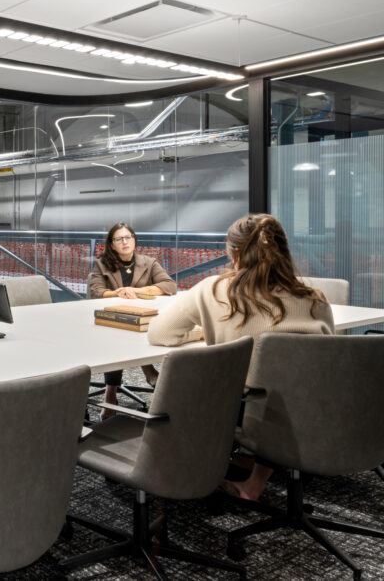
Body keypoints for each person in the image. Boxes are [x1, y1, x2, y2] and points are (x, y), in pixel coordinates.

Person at [147, 213, 334, 501]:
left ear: (234, 254)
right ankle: (256, 481)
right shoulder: (315, 299)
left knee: (194, 384)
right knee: (280, 387)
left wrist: (200, 333)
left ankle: (197, 469)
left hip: (240, 411)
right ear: (283, 251)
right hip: (310, 410)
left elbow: (160, 333)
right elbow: (327, 359)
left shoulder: (213, 289)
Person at [87, 222, 178, 418]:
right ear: (112, 244)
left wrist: (137, 290)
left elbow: (170, 286)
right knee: (115, 336)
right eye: (118, 239)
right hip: (112, 317)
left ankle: (115, 392)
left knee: (128, 333)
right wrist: (118, 293)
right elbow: (96, 292)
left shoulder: (149, 262)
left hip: (140, 317)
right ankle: (115, 391)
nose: (124, 242)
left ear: (134, 240)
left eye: (128, 237)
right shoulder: (102, 264)